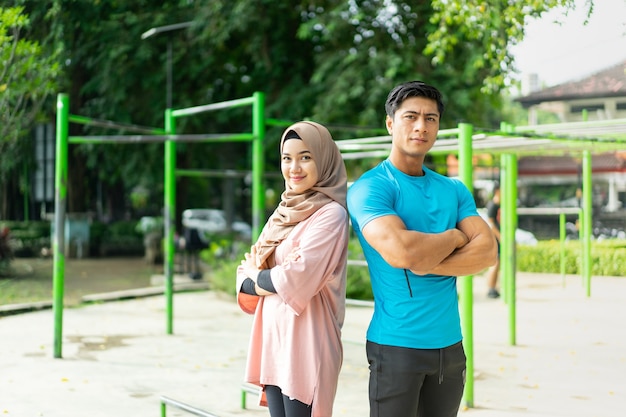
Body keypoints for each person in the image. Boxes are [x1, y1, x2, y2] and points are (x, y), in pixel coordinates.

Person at [347, 80, 497, 417]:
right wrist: (457, 237)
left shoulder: (453, 189)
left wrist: (425, 259)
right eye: (411, 116)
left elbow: (487, 252)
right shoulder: (371, 188)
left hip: (450, 347)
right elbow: (403, 252)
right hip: (397, 345)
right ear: (390, 123)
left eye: (431, 118)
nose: (421, 126)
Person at [236, 121, 349, 417]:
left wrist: (256, 276)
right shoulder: (283, 213)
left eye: (305, 157)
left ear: (323, 160)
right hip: (274, 339)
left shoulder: (331, 214)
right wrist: (262, 278)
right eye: (287, 158)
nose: (294, 167)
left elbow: (294, 278)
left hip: (308, 343)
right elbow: (243, 273)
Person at [485, 184, 501, 298]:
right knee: (495, 263)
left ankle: (493, 286)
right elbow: (491, 224)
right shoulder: (493, 206)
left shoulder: (499, 205)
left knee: (497, 263)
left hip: (498, 237)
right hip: (496, 238)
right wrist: (500, 236)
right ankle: (491, 287)